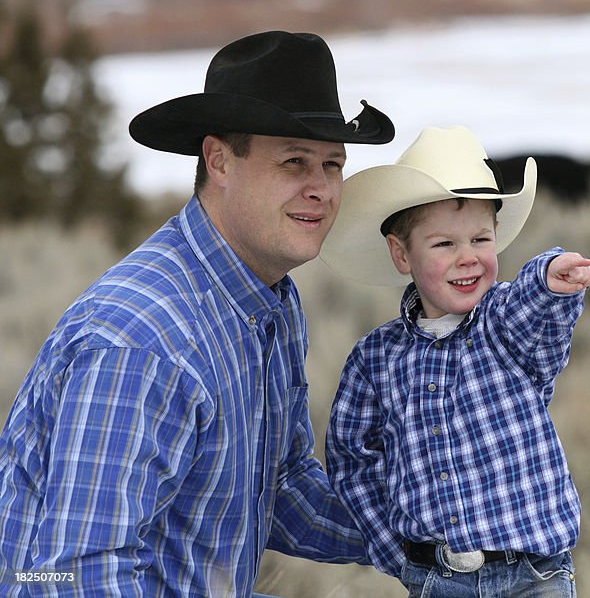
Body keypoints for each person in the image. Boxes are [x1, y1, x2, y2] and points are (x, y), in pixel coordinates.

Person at [0, 30, 395, 596]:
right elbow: (81, 575)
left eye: (332, 165)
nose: (322, 189)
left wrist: (422, 528)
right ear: (219, 161)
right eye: (293, 162)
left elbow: (278, 486)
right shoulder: (142, 343)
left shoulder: (268, 300)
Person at [322, 125, 590, 597]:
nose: (467, 258)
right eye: (445, 244)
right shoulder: (375, 359)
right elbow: (352, 461)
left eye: (481, 240)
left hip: (534, 577)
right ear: (401, 254)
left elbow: (533, 308)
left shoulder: (504, 326)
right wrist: (396, 551)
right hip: (437, 578)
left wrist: (549, 278)